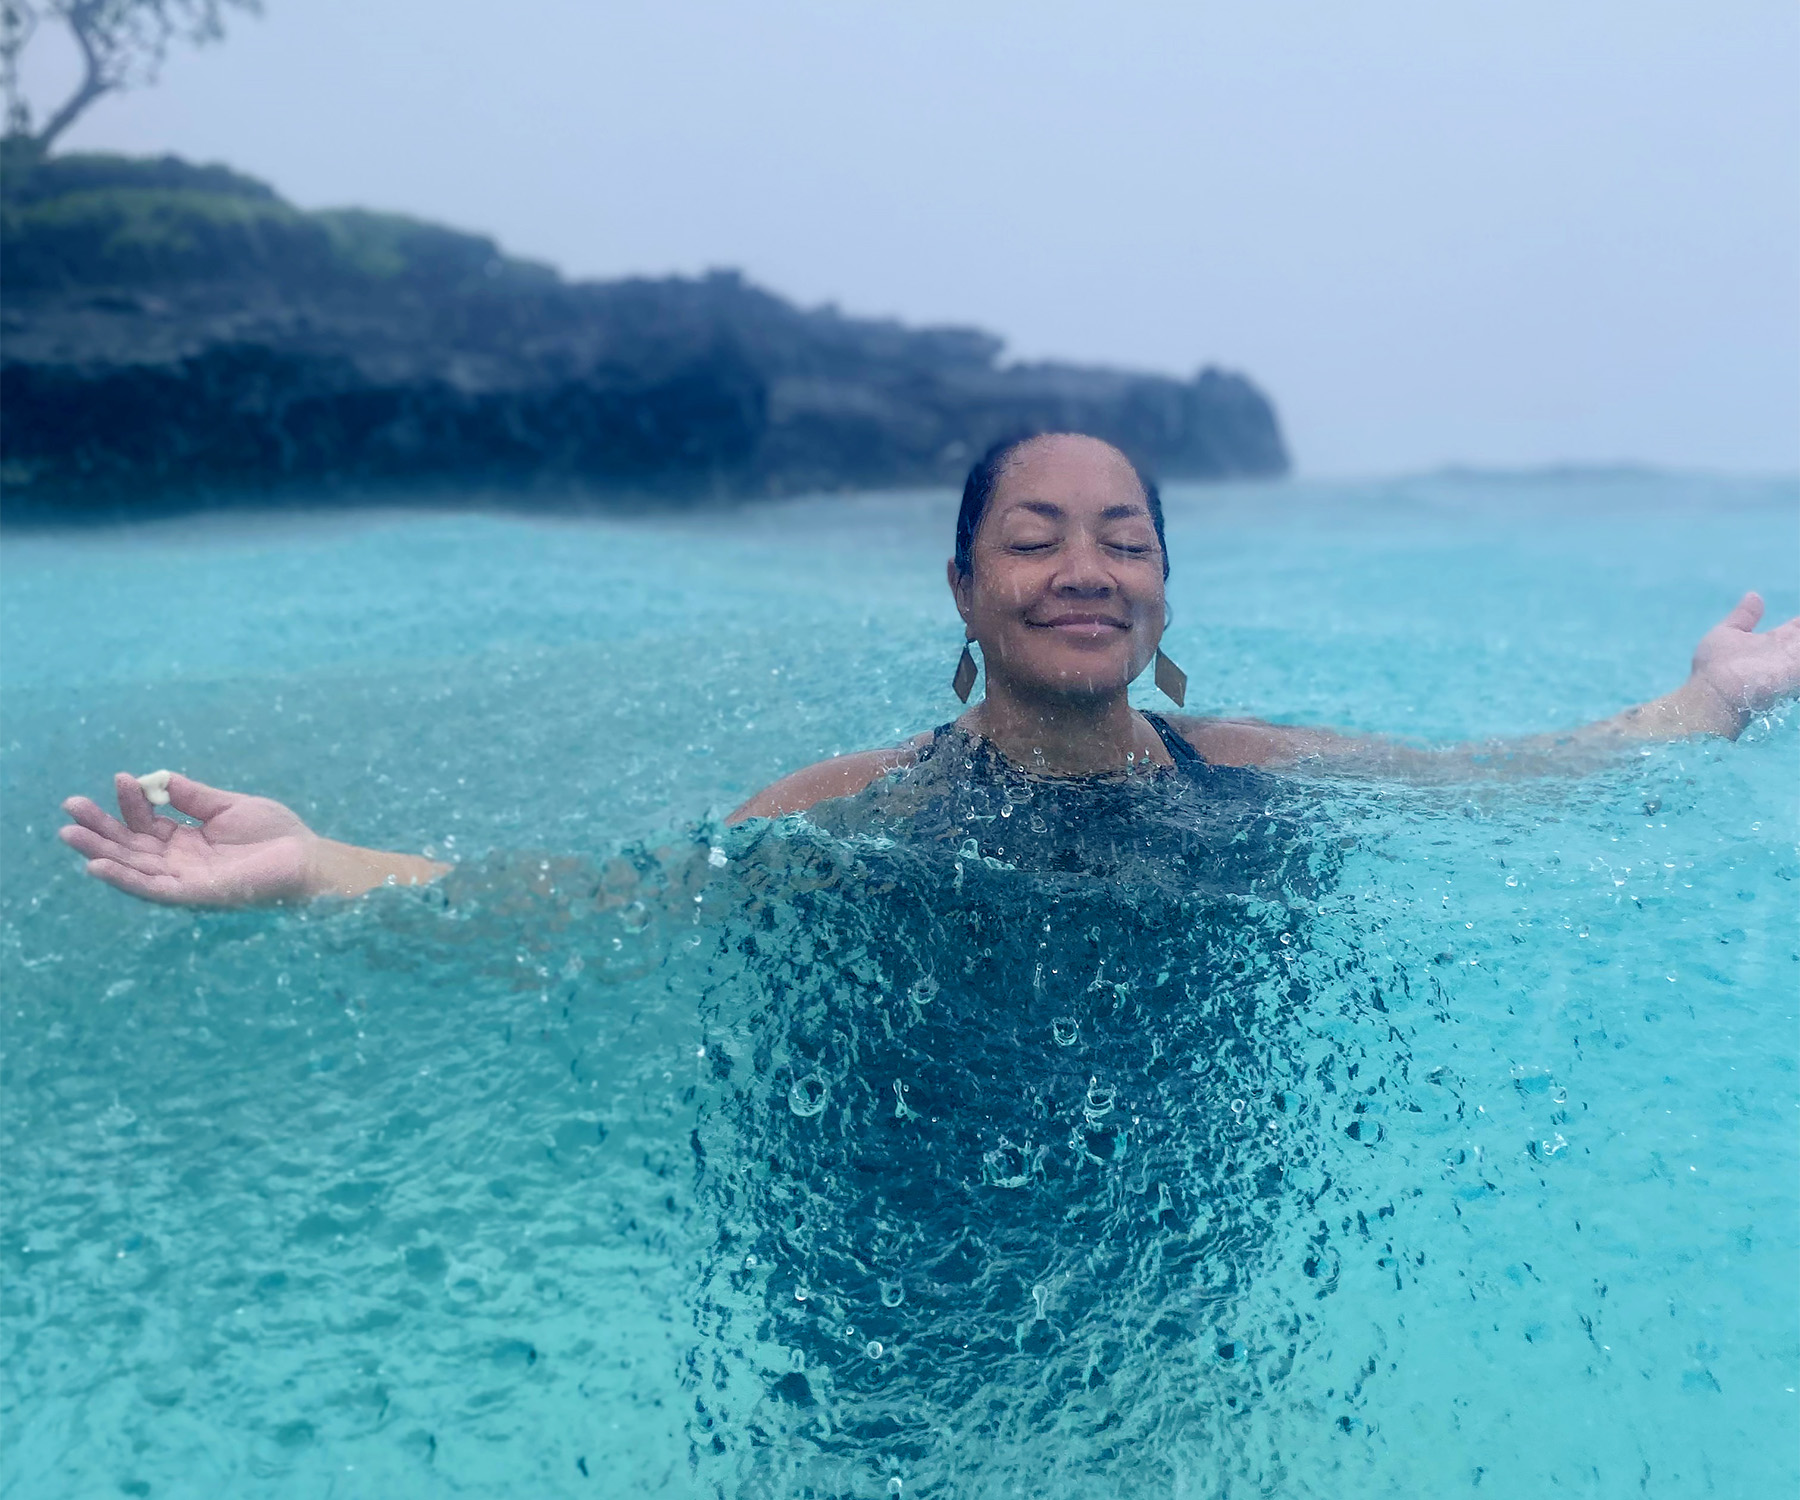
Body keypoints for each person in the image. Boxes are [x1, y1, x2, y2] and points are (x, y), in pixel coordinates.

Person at [56, 433, 1800, 904]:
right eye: (1034, 536)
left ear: (1164, 586)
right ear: (965, 588)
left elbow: (1513, 780)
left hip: (1182, 1197)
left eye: (1123, 535)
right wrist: (312, 867)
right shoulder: (862, 809)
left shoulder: (1244, 762)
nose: (1084, 565)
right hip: (920, 1197)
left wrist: (1710, 695)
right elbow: (582, 900)